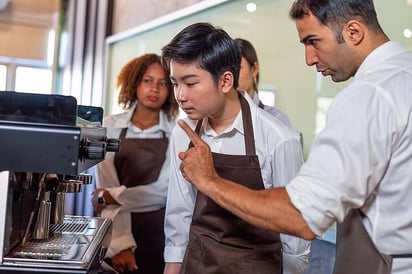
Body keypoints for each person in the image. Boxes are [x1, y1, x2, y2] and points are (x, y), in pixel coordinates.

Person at [177, 1, 412, 274]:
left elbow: (301, 215)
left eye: (313, 41)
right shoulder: (403, 76)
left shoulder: (370, 95)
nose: (309, 58)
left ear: (354, 32)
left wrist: (210, 180)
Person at [161, 22, 310, 274]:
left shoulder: (280, 139)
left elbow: (294, 240)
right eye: (175, 83)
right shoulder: (182, 132)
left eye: (190, 83)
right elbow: (179, 216)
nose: (180, 96)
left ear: (226, 81)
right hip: (198, 265)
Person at [91, 53, 179, 274]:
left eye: (163, 83)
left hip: (157, 232)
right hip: (112, 231)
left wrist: (112, 197)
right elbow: (106, 183)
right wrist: (120, 245)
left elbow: (164, 192)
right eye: (147, 81)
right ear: (135, 83)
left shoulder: (177, 132)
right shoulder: (109, 126)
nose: (154, 89)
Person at [234, 38, 292, 126]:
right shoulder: (216, 120)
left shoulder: (277, 120)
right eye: (227, 69)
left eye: (237, 68)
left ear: (254, 69)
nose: (231, 76)